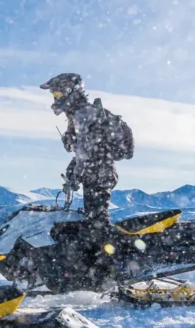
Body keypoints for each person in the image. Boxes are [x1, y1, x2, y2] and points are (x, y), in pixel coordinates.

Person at [39, 73, 133, 228]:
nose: (55, 97)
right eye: (54, 94)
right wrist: (73, 172)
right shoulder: (78, 114)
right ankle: (102, 248)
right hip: (97, 173)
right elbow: (83, 152)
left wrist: (76, 175)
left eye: (57, 93)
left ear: (70, 90)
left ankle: (108, 250)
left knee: (97, 223)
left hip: (99, 173)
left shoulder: (83, 114)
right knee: (94, 221)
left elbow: (85, 151)